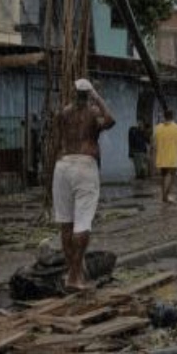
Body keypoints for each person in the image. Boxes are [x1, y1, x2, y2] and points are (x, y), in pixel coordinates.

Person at [52, 78, 115, 290]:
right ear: (88, 94)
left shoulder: (63, 113)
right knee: (82, 223)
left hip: (62, 165)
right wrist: (97, 96)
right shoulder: (93, 112)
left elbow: (57, 141)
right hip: (84, 165)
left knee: (66, 223)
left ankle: (74, 273)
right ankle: (74, 276)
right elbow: (110, 120)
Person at [152, 110, 177, 204]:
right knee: (171, 176)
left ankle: (164, 194)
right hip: (173, 156)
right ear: (173, 116)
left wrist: (153, 155)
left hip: (161, 156)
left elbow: (153, 143)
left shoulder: (157, 128)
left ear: (164, 116)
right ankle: (165, 196)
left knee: (163, 176)